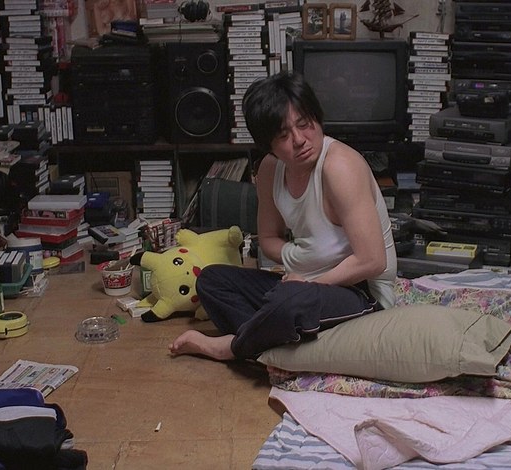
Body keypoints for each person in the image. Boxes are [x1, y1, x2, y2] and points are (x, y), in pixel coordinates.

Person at [169, 70, 397, 361]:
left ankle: (232, 347)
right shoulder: (269, 169)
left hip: (360, 291)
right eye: (283, 135)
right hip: (302, 283)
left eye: (304, 124)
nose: (299, 140)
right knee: (212, 280)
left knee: (289, 302)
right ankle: (270, 343)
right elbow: (268, 239)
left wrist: (309, 283)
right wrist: (299, 259)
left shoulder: (340, 166)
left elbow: (373, 260)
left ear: (317, 118)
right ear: (269, 146)